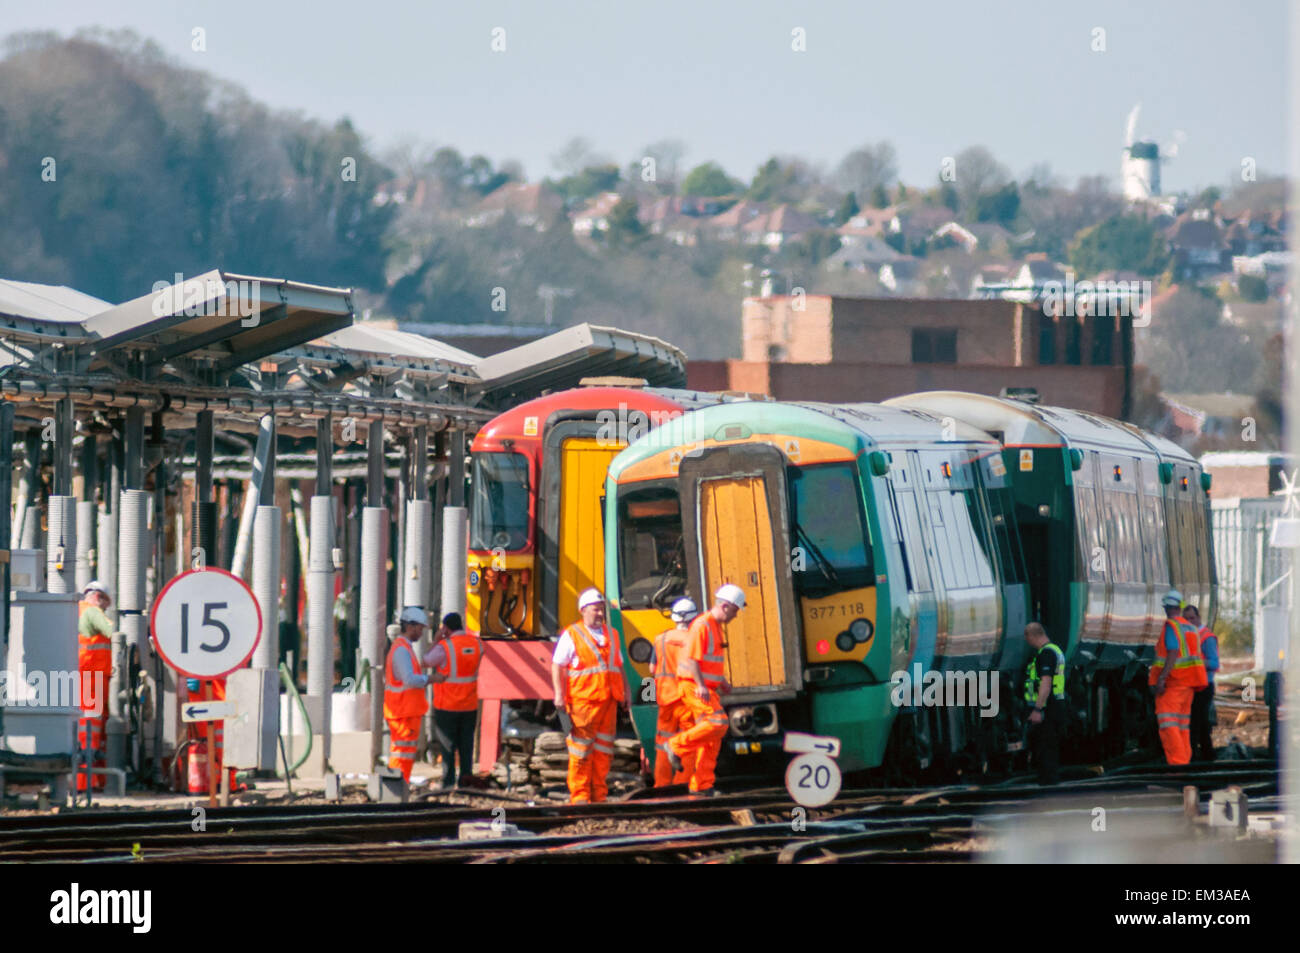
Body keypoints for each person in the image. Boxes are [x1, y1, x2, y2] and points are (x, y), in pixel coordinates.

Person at [665, 584, 742, 795]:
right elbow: (692, 660)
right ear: (725, 606)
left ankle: (702, 786)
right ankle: (675, 745)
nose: (735, 616)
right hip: (693, 686)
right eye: (735, 611)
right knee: (718, 722)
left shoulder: (714, 626)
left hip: (706, 688)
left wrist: (722, 681)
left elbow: (709, 662)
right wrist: (700, 685)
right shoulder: (703, 625)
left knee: (713, 738)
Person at [551, 588, 626, 804]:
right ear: (583, 611)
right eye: (596, 610)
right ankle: (581, 797)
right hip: (584, 703)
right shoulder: (572, 634)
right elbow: (558, 665)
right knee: (581, 752)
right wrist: (559, 694)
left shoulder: (612, 634)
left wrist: (627, 693)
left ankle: (599, 796)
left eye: (602, 610)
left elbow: (619, 666)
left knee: (603, 752)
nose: (601, 614)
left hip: (609, 702)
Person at [1149, 590, 1208, 766]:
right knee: (1182, 725)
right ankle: (1184, 762)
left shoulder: (1171, 626)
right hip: (1188, 683)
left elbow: (1173, 652)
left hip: (1173, 683)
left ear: (1166, 607)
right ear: (1180, 607)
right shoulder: (1190, 627)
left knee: (1168, 723)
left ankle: (1177, 763)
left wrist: (1161, 679)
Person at [424, 612, 482, 789]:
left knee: (447, 747)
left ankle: (448, 782)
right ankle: (466, 782)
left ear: (446, 629)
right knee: (466, 745)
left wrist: (435, 640)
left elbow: (426, 661)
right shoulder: (477, 644)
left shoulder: (444, 647)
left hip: (447, 706)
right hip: (469, 705)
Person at [652, 597, 699, 787]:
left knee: (663, 742)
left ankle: (661, 784)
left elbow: (651, 667)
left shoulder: (660, 639)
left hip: (665, 696)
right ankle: (682, 781)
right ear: (693, 618)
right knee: (689, 741)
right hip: (685, 697)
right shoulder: (692, 639)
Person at [383, 606, 431, 782]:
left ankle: (400, 787)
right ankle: (397, 788)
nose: (421, 633)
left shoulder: (403, 648)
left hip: (405, 711)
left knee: (405, 752)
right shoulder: (402, 650)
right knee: (402, 752)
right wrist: (431, 679)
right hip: (403, 712)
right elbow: (409, 679)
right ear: (411, 627)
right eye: (420, 628)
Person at [77, 581, 114, 791]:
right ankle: (86, 781)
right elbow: (112, 632)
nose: (105, 609)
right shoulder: (92, 612)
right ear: (99, 597)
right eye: (106, 605)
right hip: (93, 676)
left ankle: (94, 779)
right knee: (91, 727)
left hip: (85, 674)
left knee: (88, 725)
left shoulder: (76, 611)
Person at [1023, 622, 1066, 785]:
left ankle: (1048, 784)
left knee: (1044, 748)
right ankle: (1050, 780)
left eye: (1028, 639)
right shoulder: (1055, 650)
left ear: (1032, 636)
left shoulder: (1046, 654)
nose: (1028, 644)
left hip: (1048, 708)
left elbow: (1045, 684)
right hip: (1056, 706)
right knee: (1049, 747)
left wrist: (1037, 709)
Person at [1183, 605, 1219, 762]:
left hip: (1204, 686)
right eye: (1186, 619)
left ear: (1198, 618)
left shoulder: (1206, 637)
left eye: (1192, 618)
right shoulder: (1186, 637)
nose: (1190, 621)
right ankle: (1203, 756)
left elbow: (1214, 663)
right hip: (1191, 686)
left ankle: (1202, 757)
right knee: (1197, 723)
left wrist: (1196, 662)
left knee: (1198, 723)